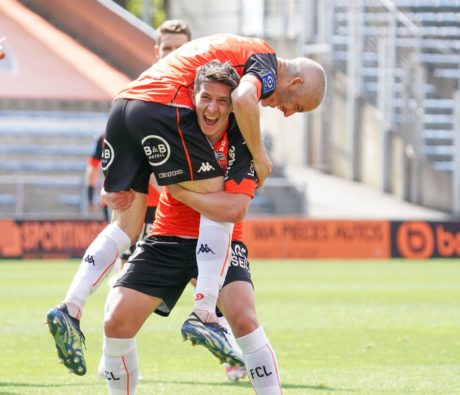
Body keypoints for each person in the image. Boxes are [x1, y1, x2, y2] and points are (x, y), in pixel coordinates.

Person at [46, 32, 326, 376]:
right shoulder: (265, 58)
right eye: (297, 106)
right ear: (295, 81)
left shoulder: (231, 56)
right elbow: (243, 96)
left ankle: (70, 307)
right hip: (164, 106)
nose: (287, 113)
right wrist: (260, 155)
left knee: (126, 226)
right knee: (214, 195)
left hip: (124, 105)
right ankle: (205, 312)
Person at [103, 60, 282, 395]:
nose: (212, 108)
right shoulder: (173, 127)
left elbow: (235, 208)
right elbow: (125, 164)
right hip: (167, 238)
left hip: (224, 241)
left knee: (244, 319)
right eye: (206, 97)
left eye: (222, 101)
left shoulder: (242, 139)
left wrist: (179, 189)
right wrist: (110, 188)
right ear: (194, 98)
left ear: (232, 108)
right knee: (115, 321)